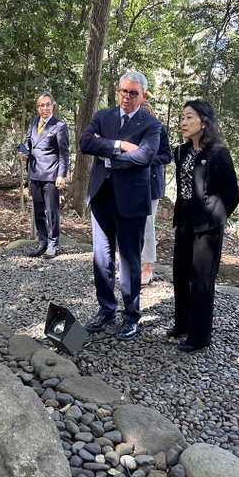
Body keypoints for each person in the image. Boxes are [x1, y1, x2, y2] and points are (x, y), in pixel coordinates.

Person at [80, 71, 161, 341]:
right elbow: (86, 143)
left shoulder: (151, 125)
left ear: (144, 96)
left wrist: (109, 157)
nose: (127, 97)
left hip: (132, 200)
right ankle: (106, 309)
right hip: (102, 195)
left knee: (129, 259)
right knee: (102, 257)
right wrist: (120, 145)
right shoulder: (104, 116)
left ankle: (131, 315)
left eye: (133, 93)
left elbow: (146, 157)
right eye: (124, 91)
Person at [170, 99, 239, 352]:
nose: (183, 122)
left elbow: (232, 195)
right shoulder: (181, 151)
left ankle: (199, 338)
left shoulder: (219, 152)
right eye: (182, 118)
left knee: (201, 280)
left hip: (209, 224)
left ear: (204, 121)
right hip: (185, 220)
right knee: (179, 273)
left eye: (189, 117)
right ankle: (182, 325)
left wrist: (216, 217)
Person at [20, 92, 69, 259]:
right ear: (37, 107)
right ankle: (42, 241)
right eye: (42, 105)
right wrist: (24, 150)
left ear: (53, 105)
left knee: (52, 210)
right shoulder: (34, 122)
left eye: (48, 104)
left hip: (51, 174)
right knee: (38, 210)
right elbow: (28, 140)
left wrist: (62, 175)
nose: (45, 108)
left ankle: (53, 243)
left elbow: (64, 153)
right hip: (34, 172)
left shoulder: (59, 126)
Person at [140, 101, 172, 285]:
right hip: (130, 185)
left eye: (146, 113)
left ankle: (147, 267)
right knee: (130, 226)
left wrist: (148, 159)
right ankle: (132, 264)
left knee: (148, 225)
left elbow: (167, 155)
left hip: (151, 184)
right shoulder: (129, 128)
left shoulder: (159, 129)